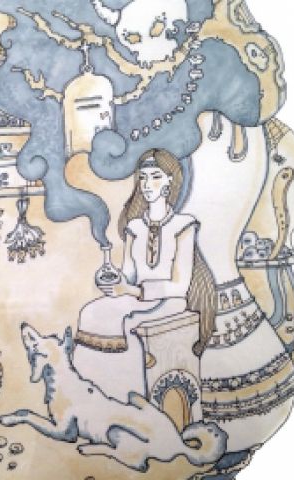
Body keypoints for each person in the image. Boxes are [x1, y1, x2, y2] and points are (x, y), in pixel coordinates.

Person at [72, 148, 217, 402]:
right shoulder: (135, 226)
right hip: (137, 297)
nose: (148, 184)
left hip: (169, 301)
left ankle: (128, 398)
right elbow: (128, 273)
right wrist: (115, 282)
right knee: (90, 312)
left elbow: (180, 286)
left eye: (156, 177)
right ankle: (92, 395)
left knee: (127, 321)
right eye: (143, 177)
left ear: (170, 180)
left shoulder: (184, 224)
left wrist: (132, 291)